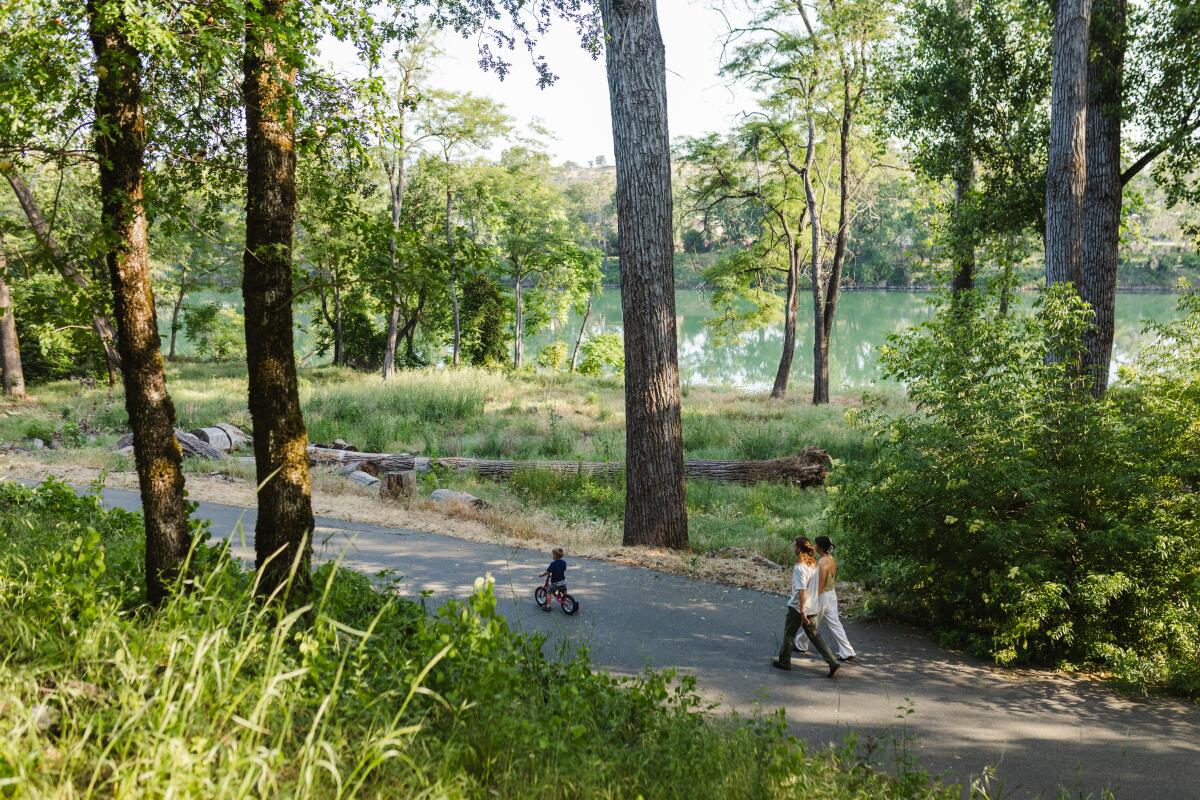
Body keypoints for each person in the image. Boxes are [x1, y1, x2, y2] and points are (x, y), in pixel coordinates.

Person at [772, 536, 840, 677]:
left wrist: (802, 611)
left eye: (794, 546)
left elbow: (802, 590)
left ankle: (784, 662)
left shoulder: (799, 567)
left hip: (798, 607)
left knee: (789, 634)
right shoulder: (814, 564)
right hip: (813, 606)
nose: (792, 548)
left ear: (798, 549)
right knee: (815, 636)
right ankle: (832, 661)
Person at [794, 535, 856, 662]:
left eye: (816, 545)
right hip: (831, 593)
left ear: (821, 547)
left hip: (822, 595)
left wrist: (810, 599)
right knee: (835, 624)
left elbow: (820, 585)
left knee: (810, 621)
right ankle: (847, 651)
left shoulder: (822, 563)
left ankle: (801, 644)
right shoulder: (830, 559)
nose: (814, 546)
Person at [538, 547, 568, 612]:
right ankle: (565, 597)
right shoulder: (564, 562)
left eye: (553, 554)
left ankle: (548, 606)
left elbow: (547, 572)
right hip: (563, 581)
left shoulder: (553, 563)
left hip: (556, 582)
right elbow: (563, 569)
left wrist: (541, 575)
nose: (552, 556)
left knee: (548, 591)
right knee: (564, 590)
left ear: (555, 556)